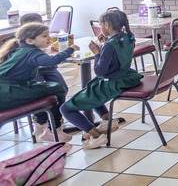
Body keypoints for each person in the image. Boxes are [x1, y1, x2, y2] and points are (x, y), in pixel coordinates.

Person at [61, 9, 143, 150]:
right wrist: (105, 45)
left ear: (106, 25)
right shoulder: (128, 37)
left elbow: (100, 71)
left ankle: (96, 135)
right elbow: (117, 54)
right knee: (90, 90)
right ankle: (106, 119)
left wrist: (98, 53)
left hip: (111, 83)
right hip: (127, 77)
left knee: (65, 109)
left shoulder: (109, 46)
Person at [0, 23, 75, 142]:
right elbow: (52, 61)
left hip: (8, 90)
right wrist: (70, 49)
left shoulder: (20, 50)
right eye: (45, 36)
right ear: (30, 40)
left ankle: (41, 124)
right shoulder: (31, 52)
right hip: (8, 92)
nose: (49, 38)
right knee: (58, 88)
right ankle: (54, 128)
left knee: (48, 87)